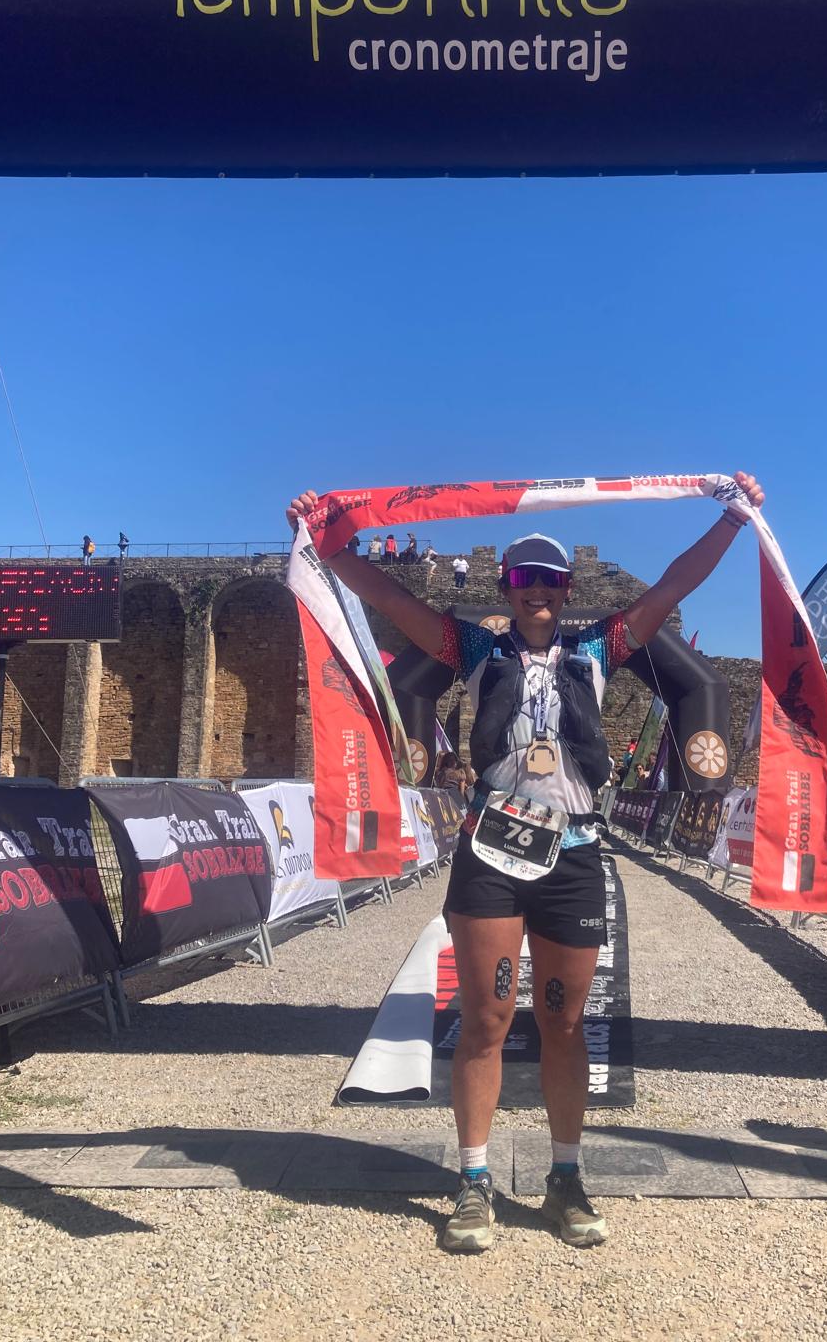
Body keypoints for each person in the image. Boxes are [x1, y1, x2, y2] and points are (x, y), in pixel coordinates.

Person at [286, 474, 763, 1254]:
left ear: (566, 589)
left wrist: (732, 522)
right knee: (485, 1021)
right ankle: (474, 1181)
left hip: (572, 852)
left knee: (564, 1023)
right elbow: (389, 599)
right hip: (492, 853)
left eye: (548, 579)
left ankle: (565, 1176)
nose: (536, 590)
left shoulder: (599, 647)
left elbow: (674, 585)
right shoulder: (475, 647)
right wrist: (327, 543)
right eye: (522, 579)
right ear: (506, 589)